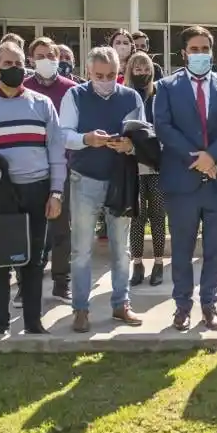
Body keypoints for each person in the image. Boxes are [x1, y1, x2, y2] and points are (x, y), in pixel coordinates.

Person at [0, 41, 66, 334]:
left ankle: (33, 323)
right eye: (7, 64)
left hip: (37, 189)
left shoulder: (41, 103)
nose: (14, 69)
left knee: (34, 261)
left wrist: (56, 192)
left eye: (19, 63)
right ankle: (0, 325)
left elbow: (56, 149)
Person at [155, 26, 217, 331]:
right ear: (183, 54)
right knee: (181, 248)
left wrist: (212, 157)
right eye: (193, 49)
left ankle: (209, 303)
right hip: (182, 183)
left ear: (212, 50)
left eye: (204, 48)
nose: (199, 54)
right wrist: (199, 160)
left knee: (215, 248)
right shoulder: (166, 87)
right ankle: (182, 306)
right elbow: (164, 128)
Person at [58, 46, 144, 332]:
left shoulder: (131, 97)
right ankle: (81, 309)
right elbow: (63, 135)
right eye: (99, 75)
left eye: (111, 75)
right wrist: (86, 139)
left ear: (119, 73)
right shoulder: (75, 95)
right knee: (81, 249)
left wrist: (131, 145)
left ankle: (121, 304)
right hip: (85, 179)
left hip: (120, 179)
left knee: (122, 249)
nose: (105, 80)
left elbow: (144, 135)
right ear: (88, 72)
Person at [22, 37, 78, 302]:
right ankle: (25, 286)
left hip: (62, 168)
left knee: (61, 230)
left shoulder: (71, 89)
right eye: (40, 56)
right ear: (31, 61)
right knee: (29, 231)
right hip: (30, 170)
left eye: (51, 56)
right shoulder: (22, 88)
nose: (46, 61)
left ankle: (61, 283)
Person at [125, 52, 166, 287]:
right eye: (137, 69)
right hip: (133, 163)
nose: (142, 73)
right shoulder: (125, 96)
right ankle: (138, 264)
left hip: (157, 164)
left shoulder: (159, 95)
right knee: (137, 217)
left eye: (145, 68)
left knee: (158, 216)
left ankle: (159, 263)